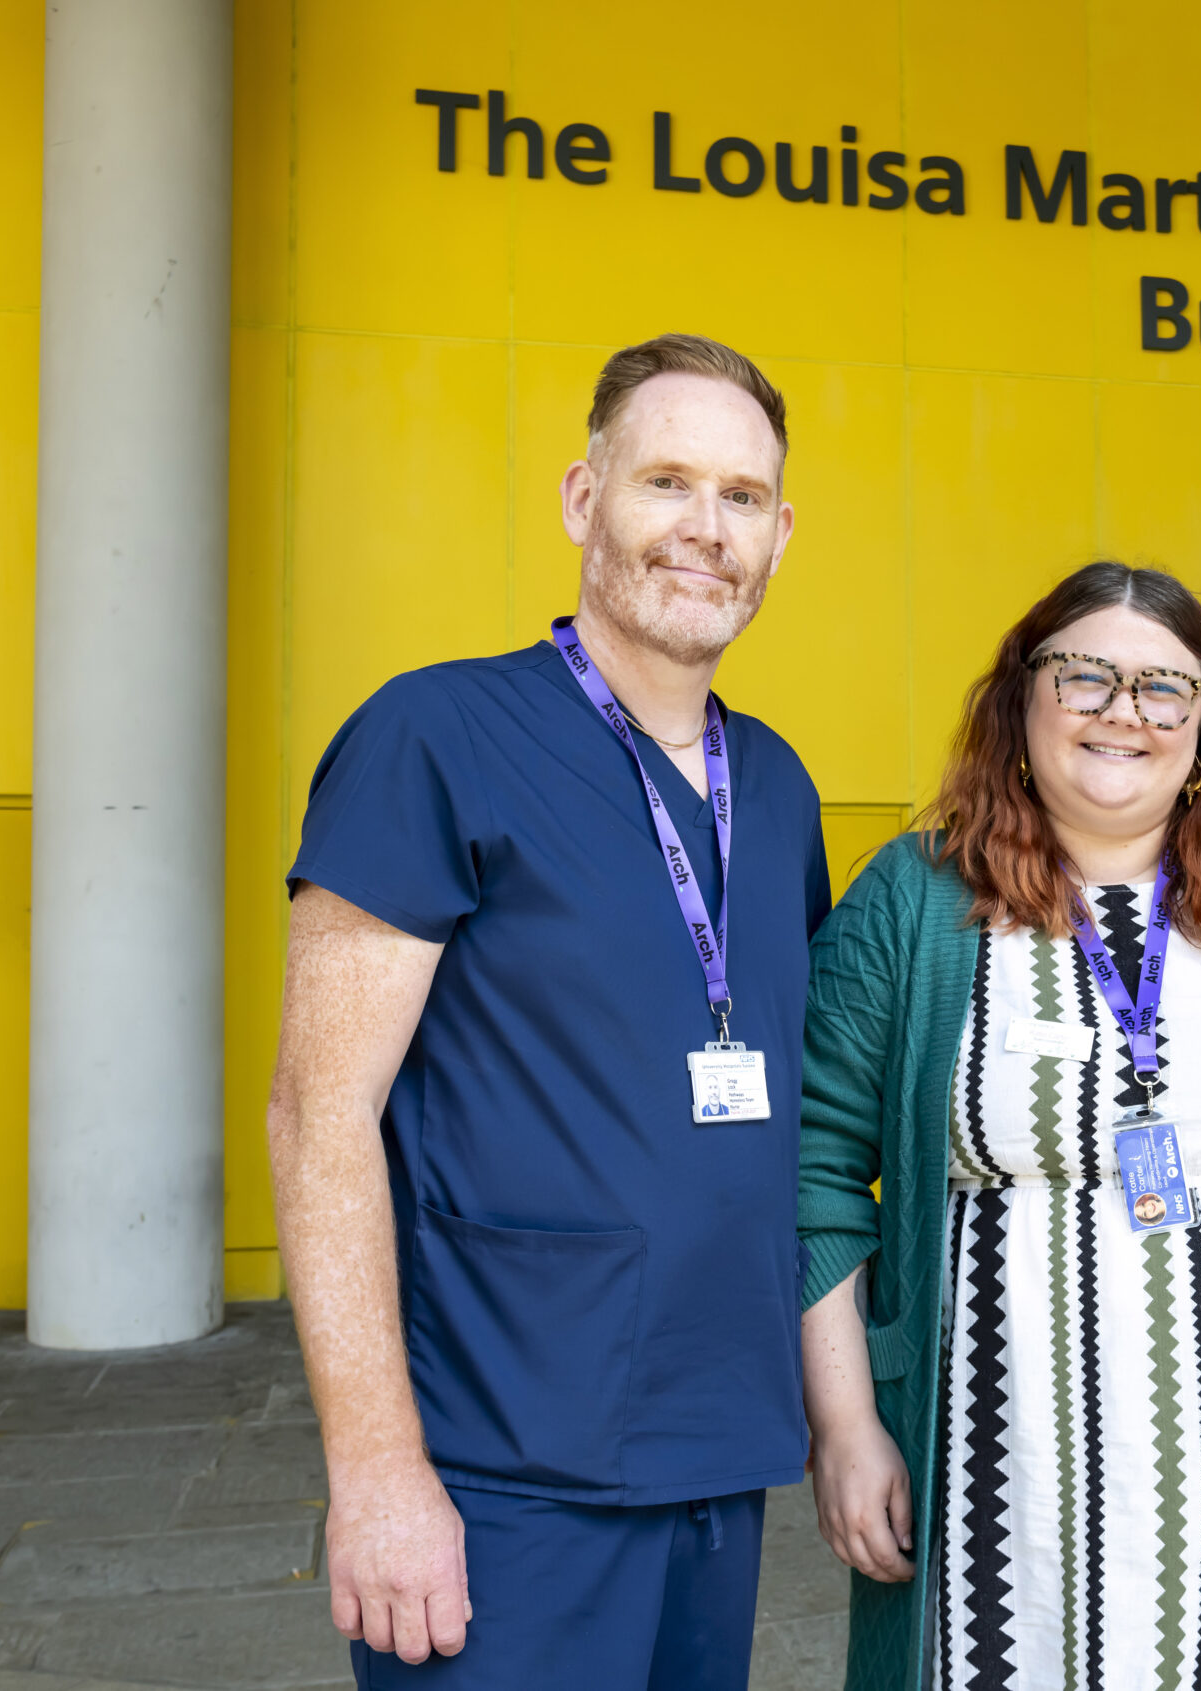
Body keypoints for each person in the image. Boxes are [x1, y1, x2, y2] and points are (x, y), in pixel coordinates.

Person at [266, 333, 827, 1688]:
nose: (706, 529)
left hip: (716, 1457)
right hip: (500, 1470)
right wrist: (378, 1467)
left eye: (742, 498)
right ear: (585, 500)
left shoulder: (780, 784)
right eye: (668, 483)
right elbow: (315, 1113)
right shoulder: (435, 738)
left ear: (780, 532)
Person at [798, 563, 1201, 1688]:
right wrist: (847, 1424)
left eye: (1165, 686)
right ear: (1020, 698)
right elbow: (813, 1171)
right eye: (1085, 675)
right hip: (993, 1490)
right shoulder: (914, 899)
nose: (1124, 710)